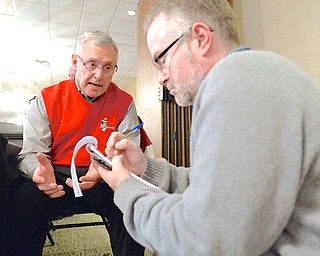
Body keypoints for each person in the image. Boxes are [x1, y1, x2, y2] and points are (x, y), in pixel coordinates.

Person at [92, 0, 320, 255]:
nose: (161, 77)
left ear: (200, 38)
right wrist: (146, 169)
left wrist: (126, 188)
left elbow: (205, 240)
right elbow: (219, 190)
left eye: (162, 59)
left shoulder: (238, 82)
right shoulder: (255, 74)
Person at [4, 30, 145, 256]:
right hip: (56, 178)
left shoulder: (125, 102)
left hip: (102, 178)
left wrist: (104, 168)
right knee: (22, 198)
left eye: (108, 67)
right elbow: (29, 155)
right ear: (75, 62)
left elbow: (127, 152)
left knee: (131, 198)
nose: (99, 75)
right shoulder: (47, 98)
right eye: (91, 64)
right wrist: (38, 172)